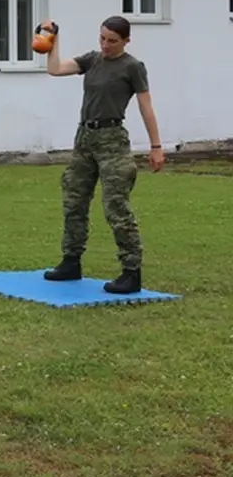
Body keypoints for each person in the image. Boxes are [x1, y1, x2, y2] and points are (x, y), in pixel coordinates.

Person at [36, 16, 164, 295]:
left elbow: (146, 107)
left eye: (112, 41)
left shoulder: (132, 67)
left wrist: (156, 146)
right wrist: (53, 40)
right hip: (85, 139)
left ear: (126, 41)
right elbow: (55, 69)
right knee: (74, 200)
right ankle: (71, 262)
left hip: (112, 141)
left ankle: (131, 272)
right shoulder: (92, 60)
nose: (105, 45)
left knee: (116, 206)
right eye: (102, 38)